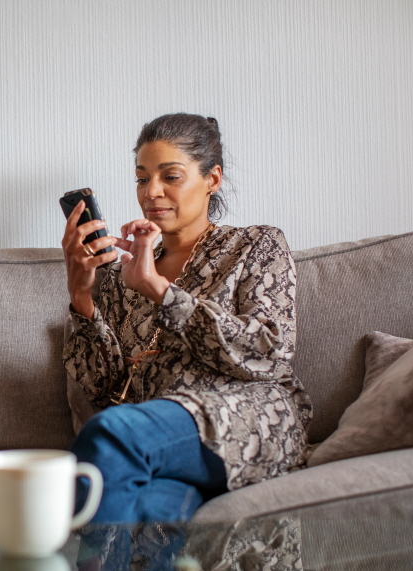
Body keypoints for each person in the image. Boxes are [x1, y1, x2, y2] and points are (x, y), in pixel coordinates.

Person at [61, 113, 312, 525]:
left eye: (170, 176)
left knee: (111, 432)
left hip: (248, 417)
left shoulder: (256, 245)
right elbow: (102, 388)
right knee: (152, 515)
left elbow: (270, 353)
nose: (151, 191)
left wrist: (159, 290)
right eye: (142, 178)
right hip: (159, 438)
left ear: (212, 179)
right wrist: (81, 295)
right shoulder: (124, 274)